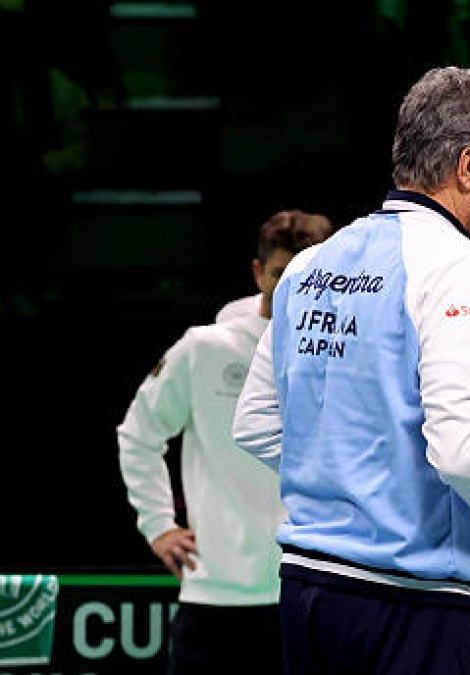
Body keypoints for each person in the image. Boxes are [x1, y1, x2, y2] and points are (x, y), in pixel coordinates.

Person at [231, 66, 470, 675]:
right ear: (469, 168)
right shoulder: (462, 271)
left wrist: (361, 475)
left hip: (305, 593)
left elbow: (255, 423)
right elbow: (463, 451)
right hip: (408, 602)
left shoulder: (311, 265)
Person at [115, 209, 334, 673]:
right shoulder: (205, 348)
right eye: (281, 273)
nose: (294, 285)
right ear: (259, 272)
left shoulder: (345, 356)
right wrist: (157, 524)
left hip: (310, 594)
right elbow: (138, 432)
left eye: (308, 273)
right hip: (214, 598)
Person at [215, 210, 334, 323]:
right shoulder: (230, 320)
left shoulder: (340, 328)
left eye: (306, 277)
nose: (293, 289)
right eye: (280, 274)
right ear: (258, 272)